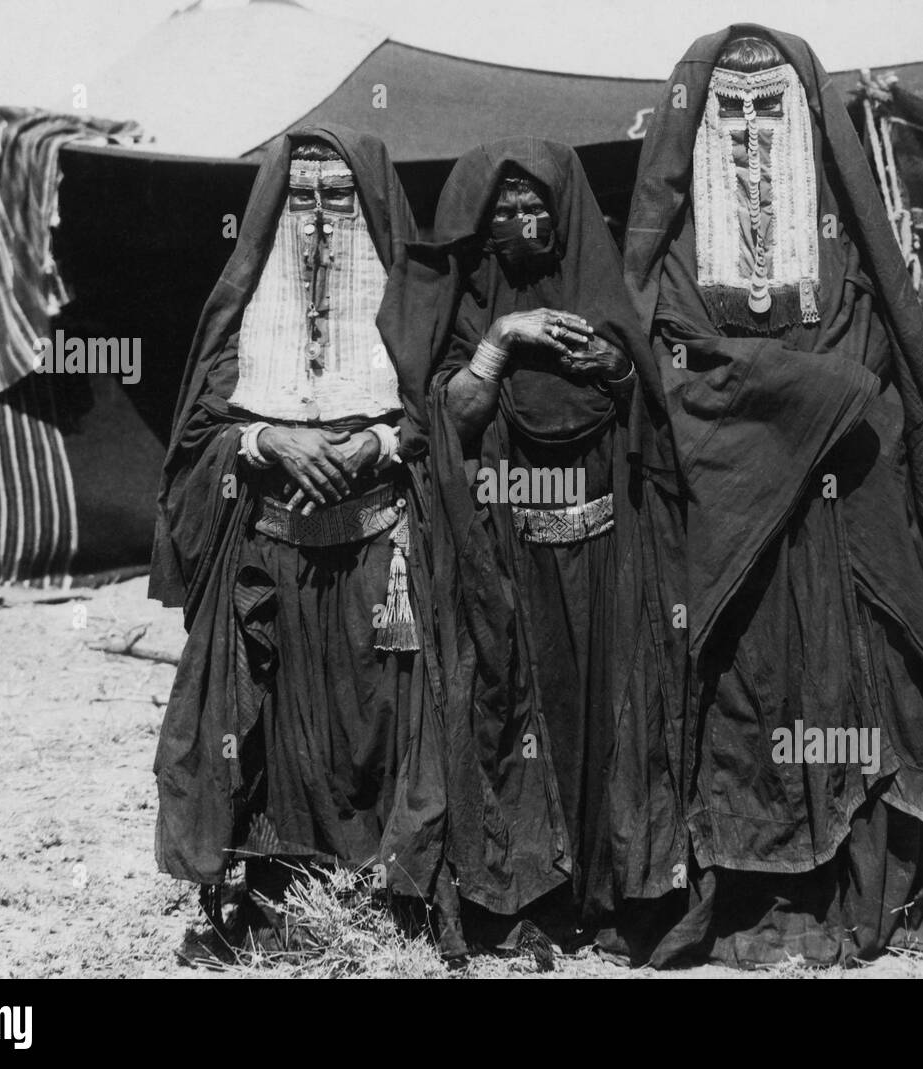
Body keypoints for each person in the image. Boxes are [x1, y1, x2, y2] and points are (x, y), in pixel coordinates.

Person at [621, 28, 923, 967]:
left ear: (805, 121)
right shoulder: (674, 252)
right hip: (738, 509)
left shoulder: (844, 242)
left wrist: (888, 378)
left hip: (848, 504)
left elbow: (885, 349)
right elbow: (672, 359)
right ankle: (760, 899)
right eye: (734, 112)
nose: (754, 132)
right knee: (749, 702)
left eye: (774, 109)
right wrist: (810, 394)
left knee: (867, 687)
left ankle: (869, 890)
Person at [378, 138, 680, 961]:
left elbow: (653, 413)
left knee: (611, 716)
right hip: (507, 550)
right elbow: (447, 423)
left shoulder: (600, 289)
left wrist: (618, 366)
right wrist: (501, 339)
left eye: (536, 205)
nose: (524, 221)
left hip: (608, 545)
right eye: (505, 210)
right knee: (515, 711)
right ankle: (525, 902)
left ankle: (620, 897)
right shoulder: (469, 303)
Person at [148, 124, 432, 949]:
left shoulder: (414, 301)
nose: (316, 216)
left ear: (370, 206)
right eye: (300, 196)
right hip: (268, 547)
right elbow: (199, 434)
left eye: (338, 198)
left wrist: (375, 442)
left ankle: (391, 887)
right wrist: (266, 440)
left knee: (376, 717)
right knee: (263, 725)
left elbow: (442, 407)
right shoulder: (240, 310)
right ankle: (270, 889)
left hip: (382, 547)